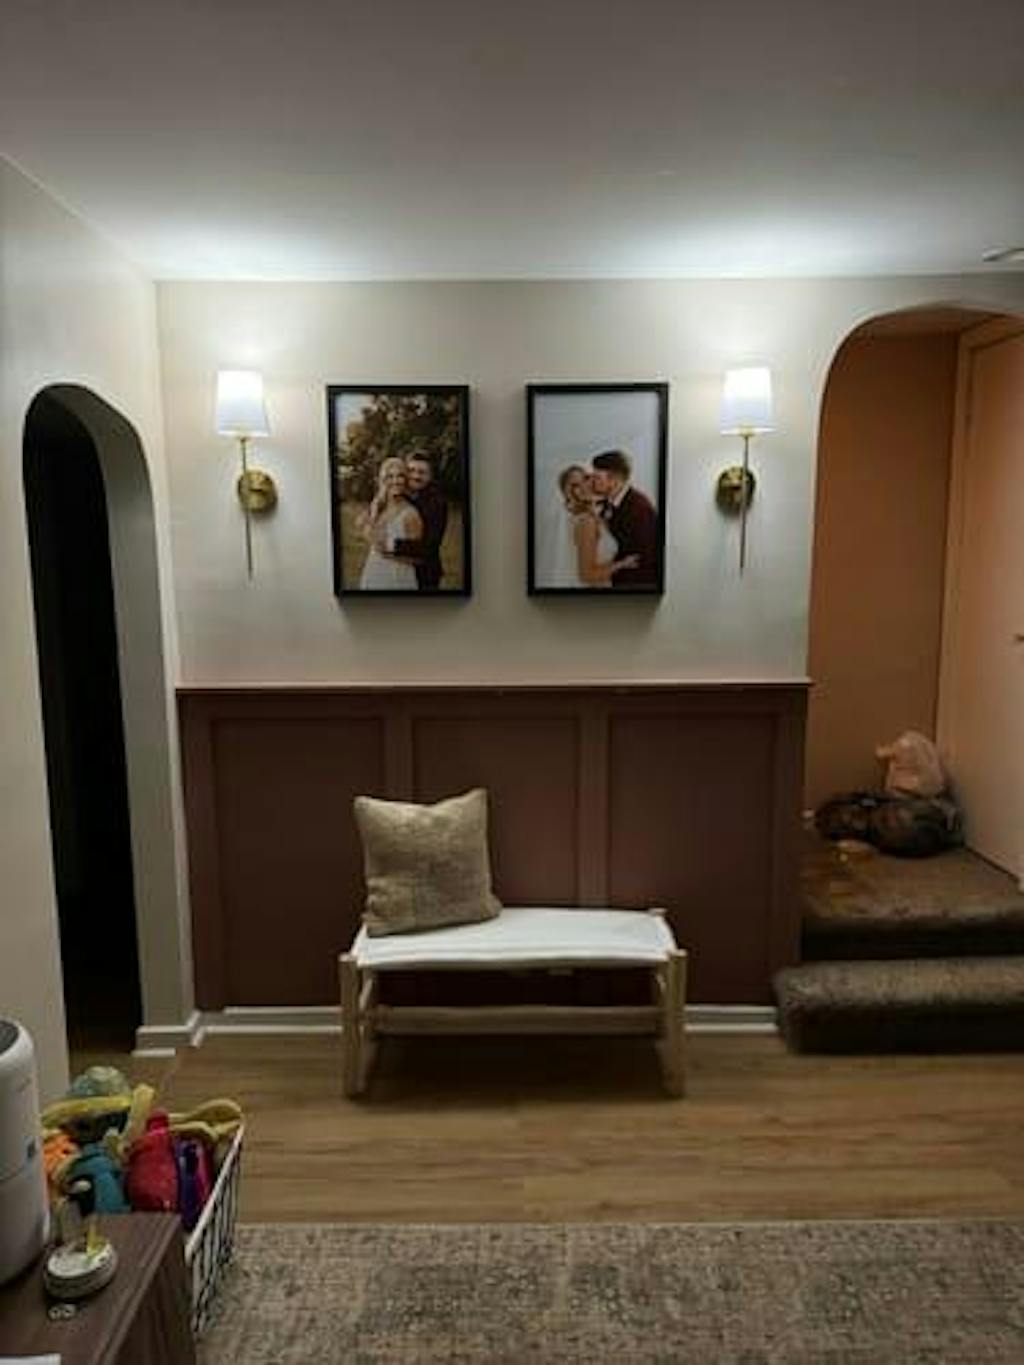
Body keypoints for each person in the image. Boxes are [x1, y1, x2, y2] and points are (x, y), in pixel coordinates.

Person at [557, 465, 639, 588]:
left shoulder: (596, 515)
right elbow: (586, 575)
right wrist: (622, 564)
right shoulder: (586, 522)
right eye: (575, 485)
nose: (584, 486)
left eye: (585, 478)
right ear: (569, 493)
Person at [589, 449, 659, 588]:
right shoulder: (605, 503)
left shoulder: (640, 508)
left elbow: (646, 559)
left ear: (614, 479)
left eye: (597, 477)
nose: (592, 482)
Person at [358, 457, 423, 590]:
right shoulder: (379, 506)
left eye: (400, 476)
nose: (395, 481)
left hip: (397, 577)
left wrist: (386, 551)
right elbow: (361, 525)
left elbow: (417, 558)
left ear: (405, 480)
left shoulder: (411, 514)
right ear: (383, 480)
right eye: (390, 476)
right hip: (373, 570)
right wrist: (374, 511)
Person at [389, 452, 449, 590]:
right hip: (395, 569)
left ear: (430, 476)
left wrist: (390, 544)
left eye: (422, 472)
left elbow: (429, 546)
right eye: (411, 470)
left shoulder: (437, 503)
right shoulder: (398, 495)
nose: (416, 476)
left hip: (424, 574)